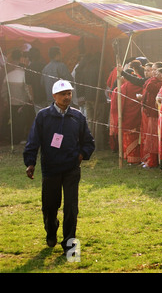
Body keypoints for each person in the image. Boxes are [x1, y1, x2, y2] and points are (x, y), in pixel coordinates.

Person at [23, 79, 95, 253]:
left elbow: (88, 141)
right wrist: (30, 162)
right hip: (51, 168)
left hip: (71, 168)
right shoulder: (43, 116)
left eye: (69, 93)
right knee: (49, 206)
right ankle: (51, 229)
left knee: (71, 207)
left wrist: (82, 154)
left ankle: (70, 246)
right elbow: (33, 140)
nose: (67, 97)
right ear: (54, 96)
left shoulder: (78, 116)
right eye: (63, 94)